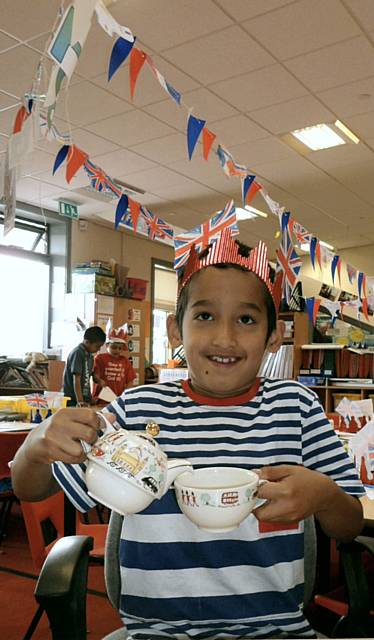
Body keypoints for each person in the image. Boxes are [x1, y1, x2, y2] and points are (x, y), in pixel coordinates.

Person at [12, 229, 364, 639]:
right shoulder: (137, 409)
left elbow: (350, 524)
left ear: (273, 336)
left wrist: (323, 494)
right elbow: (29, 488)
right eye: (204, 316)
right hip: (155, 632)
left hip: (275, 630)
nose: (224, 338)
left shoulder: (297, 409)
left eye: (246, 320)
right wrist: (37, 447)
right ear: (175, 331)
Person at [63, 325, 106, 407]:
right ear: (87, 342)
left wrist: (98, 379)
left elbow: (88, 373)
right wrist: (80, 402)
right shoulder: (78, 353)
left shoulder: (90, 355)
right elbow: (76, 379)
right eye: (97, 346)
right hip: (73, 400)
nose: (99, 349)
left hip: (84, 399)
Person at [92, 327, 136, 402]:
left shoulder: (125, 361)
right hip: (101, 398)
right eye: (114, 347)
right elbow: (95, 375)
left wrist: (126, 395)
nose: (117, 350)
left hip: (118, 398)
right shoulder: (100, 358)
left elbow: (130, 381)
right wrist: (99, 380)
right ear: (107, 345)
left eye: (120, 348)